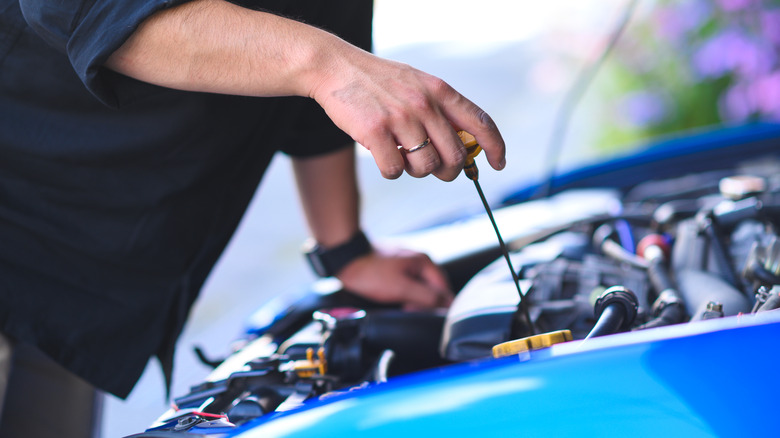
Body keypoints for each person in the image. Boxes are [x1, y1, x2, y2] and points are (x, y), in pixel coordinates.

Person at [0, 0, 505, 435]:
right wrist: (331, 67)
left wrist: (347, 250)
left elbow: (324, 41)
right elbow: (94, 11)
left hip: (84, 289)